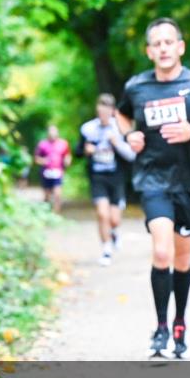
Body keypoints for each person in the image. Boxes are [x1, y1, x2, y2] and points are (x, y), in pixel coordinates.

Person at [117, 17, 190, 357]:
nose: (164, 48)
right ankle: (160, 328)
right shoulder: (136, 87)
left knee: (183, 257)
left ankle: (179, 322)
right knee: (162, 251)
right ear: (149, 51)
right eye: (157, 43)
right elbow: (124, 117)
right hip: (153, 180)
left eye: (170, 42)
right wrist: (128, 135)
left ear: (180, 47)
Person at [76, 94, 135, 266]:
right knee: (102, 214)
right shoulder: (88, 129)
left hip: (116, 177)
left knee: (115, 219)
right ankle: (106, 249)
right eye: (101, 111)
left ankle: (115, 232)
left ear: (112, 112)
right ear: (97, 110)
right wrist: (86, 150)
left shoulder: (121, 129)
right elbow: (78, 151)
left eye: (107, 112)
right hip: (97, 176)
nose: (104, 115)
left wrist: (117, 144)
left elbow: (131, 155)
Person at [34, 125, 71, 213]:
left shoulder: (63, 143)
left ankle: (56, 213)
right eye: (51, 132)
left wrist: (67, 161)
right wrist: (44, 161)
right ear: (48, 134)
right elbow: (36, 159)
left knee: (57, 194)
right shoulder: (42, 144)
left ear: (57, 133)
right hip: (46, 172)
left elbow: (67, 155)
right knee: (47, 195)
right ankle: (46, 212)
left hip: (58, 172)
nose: (52, 134)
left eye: (54, 132)